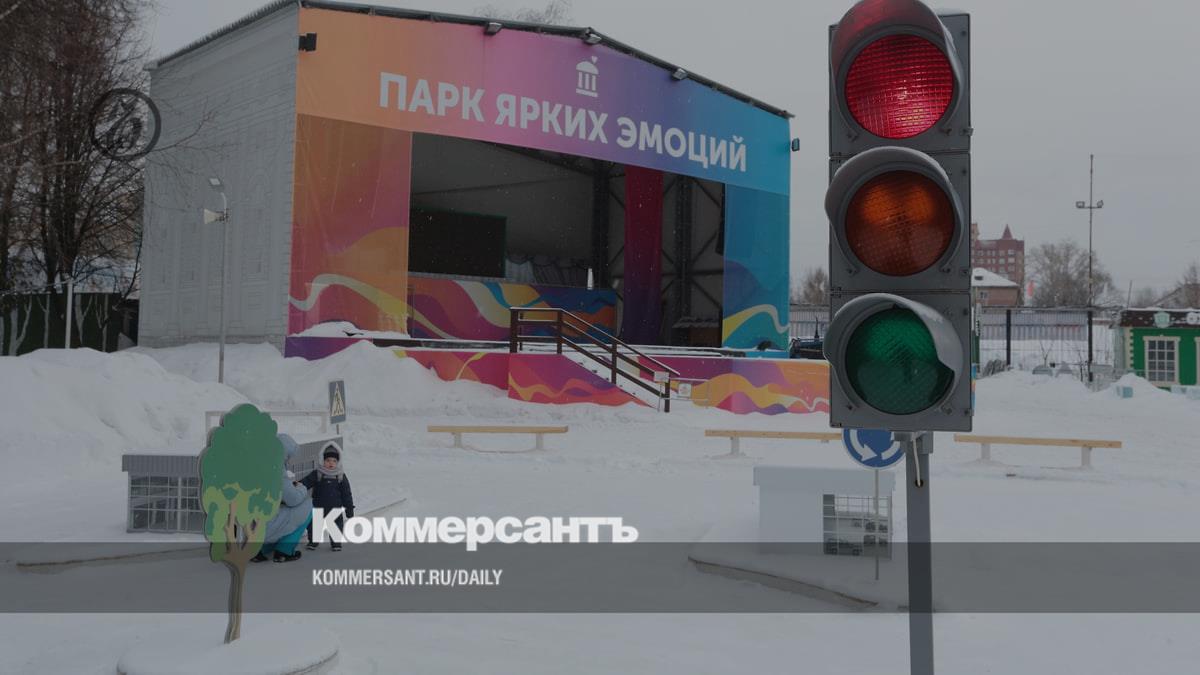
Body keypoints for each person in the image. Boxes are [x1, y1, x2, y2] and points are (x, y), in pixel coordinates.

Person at [253, 434, 313, 563]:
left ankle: (259, 550)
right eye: (288, 456)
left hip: (249, 523)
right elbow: (293, 499)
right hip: (265, 525)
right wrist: (301, 488)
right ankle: (284, 551)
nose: (288, 460)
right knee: (308, 506)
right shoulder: (275, 469)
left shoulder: (257, 463)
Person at [302, 442, 355, 552]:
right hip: (318, 505)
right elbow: (306, 482)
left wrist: (349, 508)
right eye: (328, 460)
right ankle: (313, 541)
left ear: (338, 462)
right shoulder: (318, 473)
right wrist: (297, 485)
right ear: (322, 460)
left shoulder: (340, 475)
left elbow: (346, 493)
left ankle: (336, 543)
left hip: (335, 507)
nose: (331, 463)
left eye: (334, 461)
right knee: (315, 525)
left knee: (335, 525)